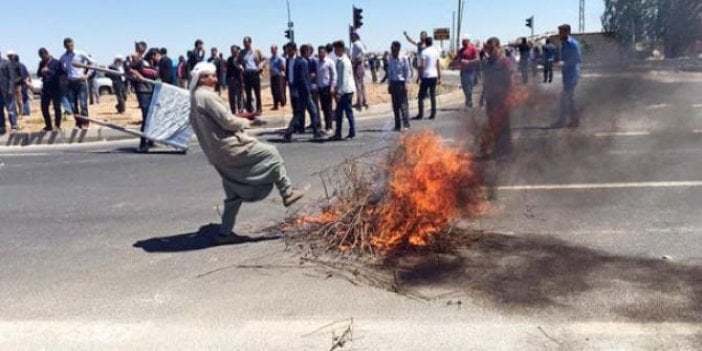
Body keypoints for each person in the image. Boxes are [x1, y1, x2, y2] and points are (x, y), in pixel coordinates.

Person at [188, 62, 306, 245]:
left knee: (233, 193)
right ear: (203, 78)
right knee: (272, 154)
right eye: (212, 75)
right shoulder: (206, 96)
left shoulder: (195, 98)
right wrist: (247, 123)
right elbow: (227, 122)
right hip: (230, 147)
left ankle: (225, 233)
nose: (216, 78)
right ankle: (287, 192)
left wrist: (241, 117)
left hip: (216, 154)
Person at [480, 37, 515, 159]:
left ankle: (506, 150)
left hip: (502, 98)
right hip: (491, 99)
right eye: (488, 48)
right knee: (493, 124)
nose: (489, 51)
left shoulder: (505, 62)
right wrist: (482, 97)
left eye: (492, 48)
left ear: (498, 48)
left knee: (504, 124)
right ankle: (498, 148)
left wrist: (509, 96)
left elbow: (510, 80)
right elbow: (486, 81)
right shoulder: (486, 62)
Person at [283, 44, 323, 142]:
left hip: (302, 91)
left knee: (304, 112)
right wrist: (305, 91)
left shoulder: (300, 61)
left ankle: (315, 132)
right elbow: (301, 78)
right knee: (305, 112)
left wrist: (305, 90)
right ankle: (314, 132)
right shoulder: (294, 62)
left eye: (289, 50)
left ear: (294, 50)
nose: (287, 53)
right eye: (287, 51)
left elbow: (304, 78)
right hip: (302, 91)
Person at [128, 43, 158, 152]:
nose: (159, 57)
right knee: (146, 118)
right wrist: (138, 75)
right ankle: (142, 143)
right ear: (153, 55)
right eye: (157, 55)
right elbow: (128, 68)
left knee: (151, 117)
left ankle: (150, 140)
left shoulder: (152, 64)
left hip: (151, 92)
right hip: (143, 92)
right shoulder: (141, 62)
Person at [59, 38, 95, 129]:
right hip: (71, 83)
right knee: (72, 104)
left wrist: (87, 74)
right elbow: (62, 68)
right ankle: (78, 122)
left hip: (81, 82)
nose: (70, 47)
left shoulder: (81, 54)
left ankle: (85, 123)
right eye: (68, 46)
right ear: (65, 46)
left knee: (83, 103)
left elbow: (93, 63)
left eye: (71, 45)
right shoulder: (63, 57)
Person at [553, 24, 582, 129]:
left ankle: (569, 121)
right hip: (567, 74)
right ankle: (570, 120)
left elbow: (577, 59)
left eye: (561, 32)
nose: (559, 34)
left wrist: (564, 63)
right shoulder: (563, 44)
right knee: (568, 98)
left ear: (567, 32)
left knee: (567, 98)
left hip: (573, 74)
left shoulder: (573, 44)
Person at [331, 40, 356, 141]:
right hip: (343, 90)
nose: (335, 51)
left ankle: (351, 132)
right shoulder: (340, 60)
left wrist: (339, 93)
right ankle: (339, 133)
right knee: (339, 112)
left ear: (341, 49)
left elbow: (345, 79)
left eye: (336, 49)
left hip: (346, 91)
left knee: (347, 111)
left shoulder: (345, 62)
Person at [413, 37, 441, 120]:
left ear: (425, 42)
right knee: (432, 95)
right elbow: (438, 65)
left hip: (426, 76)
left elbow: (422, 66)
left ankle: (421, 114)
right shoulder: (436, 52)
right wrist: (439, 77)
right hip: (434, 75)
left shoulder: (424, 52)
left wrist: (419, 76)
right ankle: (433, 113)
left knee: (421, 96)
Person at [387, 41, 411, 131]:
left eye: (394, 49)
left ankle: (406, 124)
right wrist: (389, 85)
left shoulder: (404, 58)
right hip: (393, 83)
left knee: (403, 105)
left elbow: (407, 71)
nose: (393, 51)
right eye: (392, 49)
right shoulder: (390, 59)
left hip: (401, 83)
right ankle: (397, 125)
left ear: (398, 49)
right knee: (395, 105)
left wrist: (406, 84)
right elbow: (389, 73)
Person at [37, 48, 63, 131]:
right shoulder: (41, 63)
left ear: (47, 54)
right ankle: (48, 125)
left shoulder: (57, 62)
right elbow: (38, 74)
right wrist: (41, 71)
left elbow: (60, 75)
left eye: (44, 56)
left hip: (55, 88)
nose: (43, 58)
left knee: (57, 107)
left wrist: (49, 71)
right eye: (41, 57)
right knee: (44, 107)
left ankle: (57, 126)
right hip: (46, 88)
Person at [238, 36, 265, 115]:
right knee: (248, 93)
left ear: (250, 42)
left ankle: (259, 109)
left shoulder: (256, 51)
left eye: (247, 43)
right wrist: (240, 67)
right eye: (244, 43)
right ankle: (250, 110)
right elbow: (236, 62)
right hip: (247, 73)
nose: (245, 44)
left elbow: (263, 59)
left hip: (255, 73)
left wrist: (260, 65)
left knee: (257, 93)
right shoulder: (242, 52)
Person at [316, 45, 337, 134]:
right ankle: (326, 126)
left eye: (322, 52)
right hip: (320, 88)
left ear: (325, 52)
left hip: (327, 88)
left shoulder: (329, 62)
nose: (321, 54)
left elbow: (334, 75)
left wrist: (332, 86)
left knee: (328, 108)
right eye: (319, 52)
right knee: (323, 108)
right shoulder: (317, 63)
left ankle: (330, 127)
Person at [455, 36, 480, 109]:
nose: (463, 43)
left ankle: (469, 103)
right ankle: (468, 100)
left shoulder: (473, 49)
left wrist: (468, 62)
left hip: (471, 71)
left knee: (469, 88)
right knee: (464, 87)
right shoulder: (461, 50)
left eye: (465, 42)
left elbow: (477, 59)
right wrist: (456, 62)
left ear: (468, 41)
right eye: (462, 42)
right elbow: (458, 59)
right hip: (463, 71)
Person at [0, 50, 18, 134]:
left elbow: (11, 77)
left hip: (6, 91)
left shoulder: (6, 63)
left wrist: (11, 89)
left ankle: (14, 126)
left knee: (10, 109)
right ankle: (2, 127)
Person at [350, 32, 368, 110]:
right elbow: (365, 51)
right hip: (360, 65)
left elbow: (362, 53)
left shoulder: (356, 44)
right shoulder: (360, 43)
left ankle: (360, 103)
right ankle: (364, 101)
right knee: (362, 84)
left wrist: (356, 61)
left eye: (352, 36)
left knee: (358, 85)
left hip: (357, 65)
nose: (351, 38)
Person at [226, 45, 245, 115]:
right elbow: (228, 70)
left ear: (237, 50)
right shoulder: (229, 59)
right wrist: (227, 80)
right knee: (231, 97)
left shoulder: (241, 58)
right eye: (231, 50)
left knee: (240, 96)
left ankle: (240, 110)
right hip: (231, 80)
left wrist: (239, 66)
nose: (232, 52)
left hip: (239, 80)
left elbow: (243, 68)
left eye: (234, 50)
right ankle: (233, 111)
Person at [268, 45, 286, 110]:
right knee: (273, 91)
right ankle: (275, 105)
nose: (272, 51)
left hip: (278, 76)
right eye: (271, 49)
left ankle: (282, 102)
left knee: (279, 90)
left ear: (276, 49)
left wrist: (280, 72)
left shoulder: (280, 58)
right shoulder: (271, 59)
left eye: (273, 49)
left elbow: (283, 67)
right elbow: (270, 67)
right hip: (273, 76)